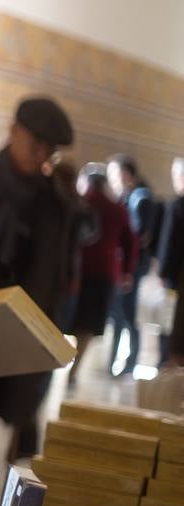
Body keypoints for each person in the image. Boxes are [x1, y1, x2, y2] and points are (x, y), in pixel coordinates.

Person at [0, 95, 78, 460]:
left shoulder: (53, 200)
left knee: (22, 414)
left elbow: (56, 267)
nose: (41, 156)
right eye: (36, 144)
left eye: (49, 150)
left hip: (29, 323)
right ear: (13, 130)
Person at [67, 164, 136, 384]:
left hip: (74, 270)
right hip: (104, 273)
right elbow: (131, 243)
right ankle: (74, 370)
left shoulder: (78, 203)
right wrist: (127, 272)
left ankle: (56, 366)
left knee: (67, 318)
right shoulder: (117, 209)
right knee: (87, 326)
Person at [108, 155, 160, 376]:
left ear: (125, 173)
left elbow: (140, 236)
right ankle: (117, 362)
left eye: (114, 174)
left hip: (133, 266)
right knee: (123, 313)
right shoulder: (132, 196)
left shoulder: (140, 198)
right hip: (131, 265)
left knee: (126, 313)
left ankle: (128, 362)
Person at [158, 159, 184, 364]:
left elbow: (170, 242)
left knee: (177, 333)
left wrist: (164, 274)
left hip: (180, 277)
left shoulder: (178, 205)